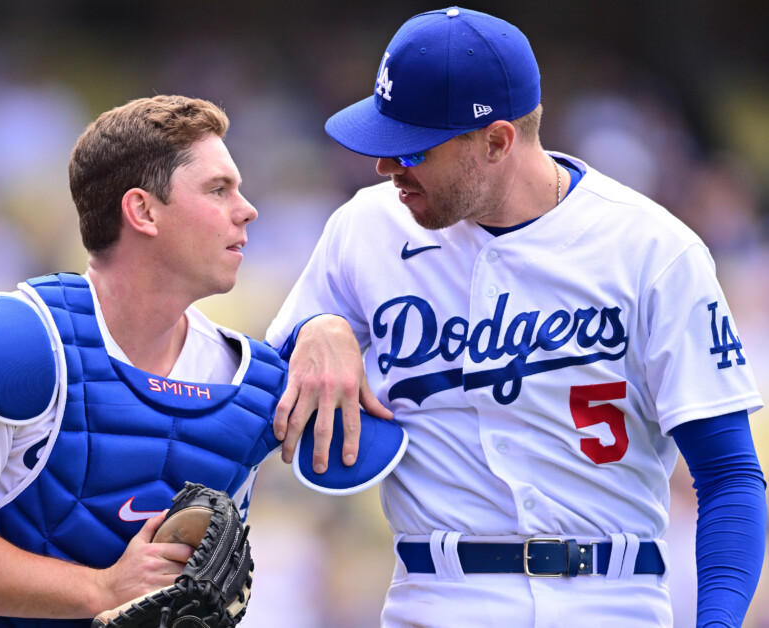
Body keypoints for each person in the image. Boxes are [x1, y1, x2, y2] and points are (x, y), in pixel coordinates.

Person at [266, 7, 767, 627]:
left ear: (497, 142)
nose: (386, 167)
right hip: (436, 597)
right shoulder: (363, 230)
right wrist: (322, 327)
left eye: (412, 148)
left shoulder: (653, 250)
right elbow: (271, 382)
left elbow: (730, 476)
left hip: (612, 599)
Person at [0, 95, 282, 628]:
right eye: (218, 189)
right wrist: (102, 588)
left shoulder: (247, 383)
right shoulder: (12, 346)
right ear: (142, 211)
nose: (246, 208)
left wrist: (328, 329)